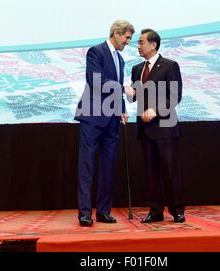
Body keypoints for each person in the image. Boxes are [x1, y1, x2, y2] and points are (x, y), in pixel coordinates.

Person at [75, 20, 135, 226]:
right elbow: (96, 82)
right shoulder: (96, 52)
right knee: (87, 165)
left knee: (108, 166)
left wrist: (123, 110)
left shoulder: (120, 59)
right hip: (92, 116)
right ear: (116, 34)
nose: (128, 42)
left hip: (111, 119)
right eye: (127, 37)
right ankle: (84, 213)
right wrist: (123, 88)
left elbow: (116, 92)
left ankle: (103, 211)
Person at [126, 28, 185, 223]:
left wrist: (156, 111)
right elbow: (134, 97)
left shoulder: (169, 66)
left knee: (170, 170)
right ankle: (155, 210)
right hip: (144, 130)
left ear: (153, 44)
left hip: (165, 127)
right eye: (138, 42)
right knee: (151, 173)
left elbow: (175, 96)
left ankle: (177, 209)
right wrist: (127, 92)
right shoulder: (136, 69)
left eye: (141, 42)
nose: (138, 46)